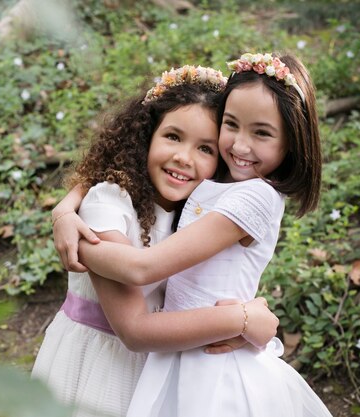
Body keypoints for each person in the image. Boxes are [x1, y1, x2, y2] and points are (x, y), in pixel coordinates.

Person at [74, 52, 333, 416]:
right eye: (231, 125)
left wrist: (82, 246)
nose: (240, 146)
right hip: (179, 352)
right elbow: (116, 180)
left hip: (212, 364)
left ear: (291, 141)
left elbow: (143, 269)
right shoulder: (211, 181)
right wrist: (66, 209)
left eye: (261, 133)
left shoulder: (255, 197)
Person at [31, 65, 279, 417]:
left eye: (205, 148)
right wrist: (241, 319)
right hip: (97, 368)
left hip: (160, 370)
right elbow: (134, 327)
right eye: (173, 137)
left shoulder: (196, 214)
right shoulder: (109, 201)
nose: (184, 157)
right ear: (145, 136)